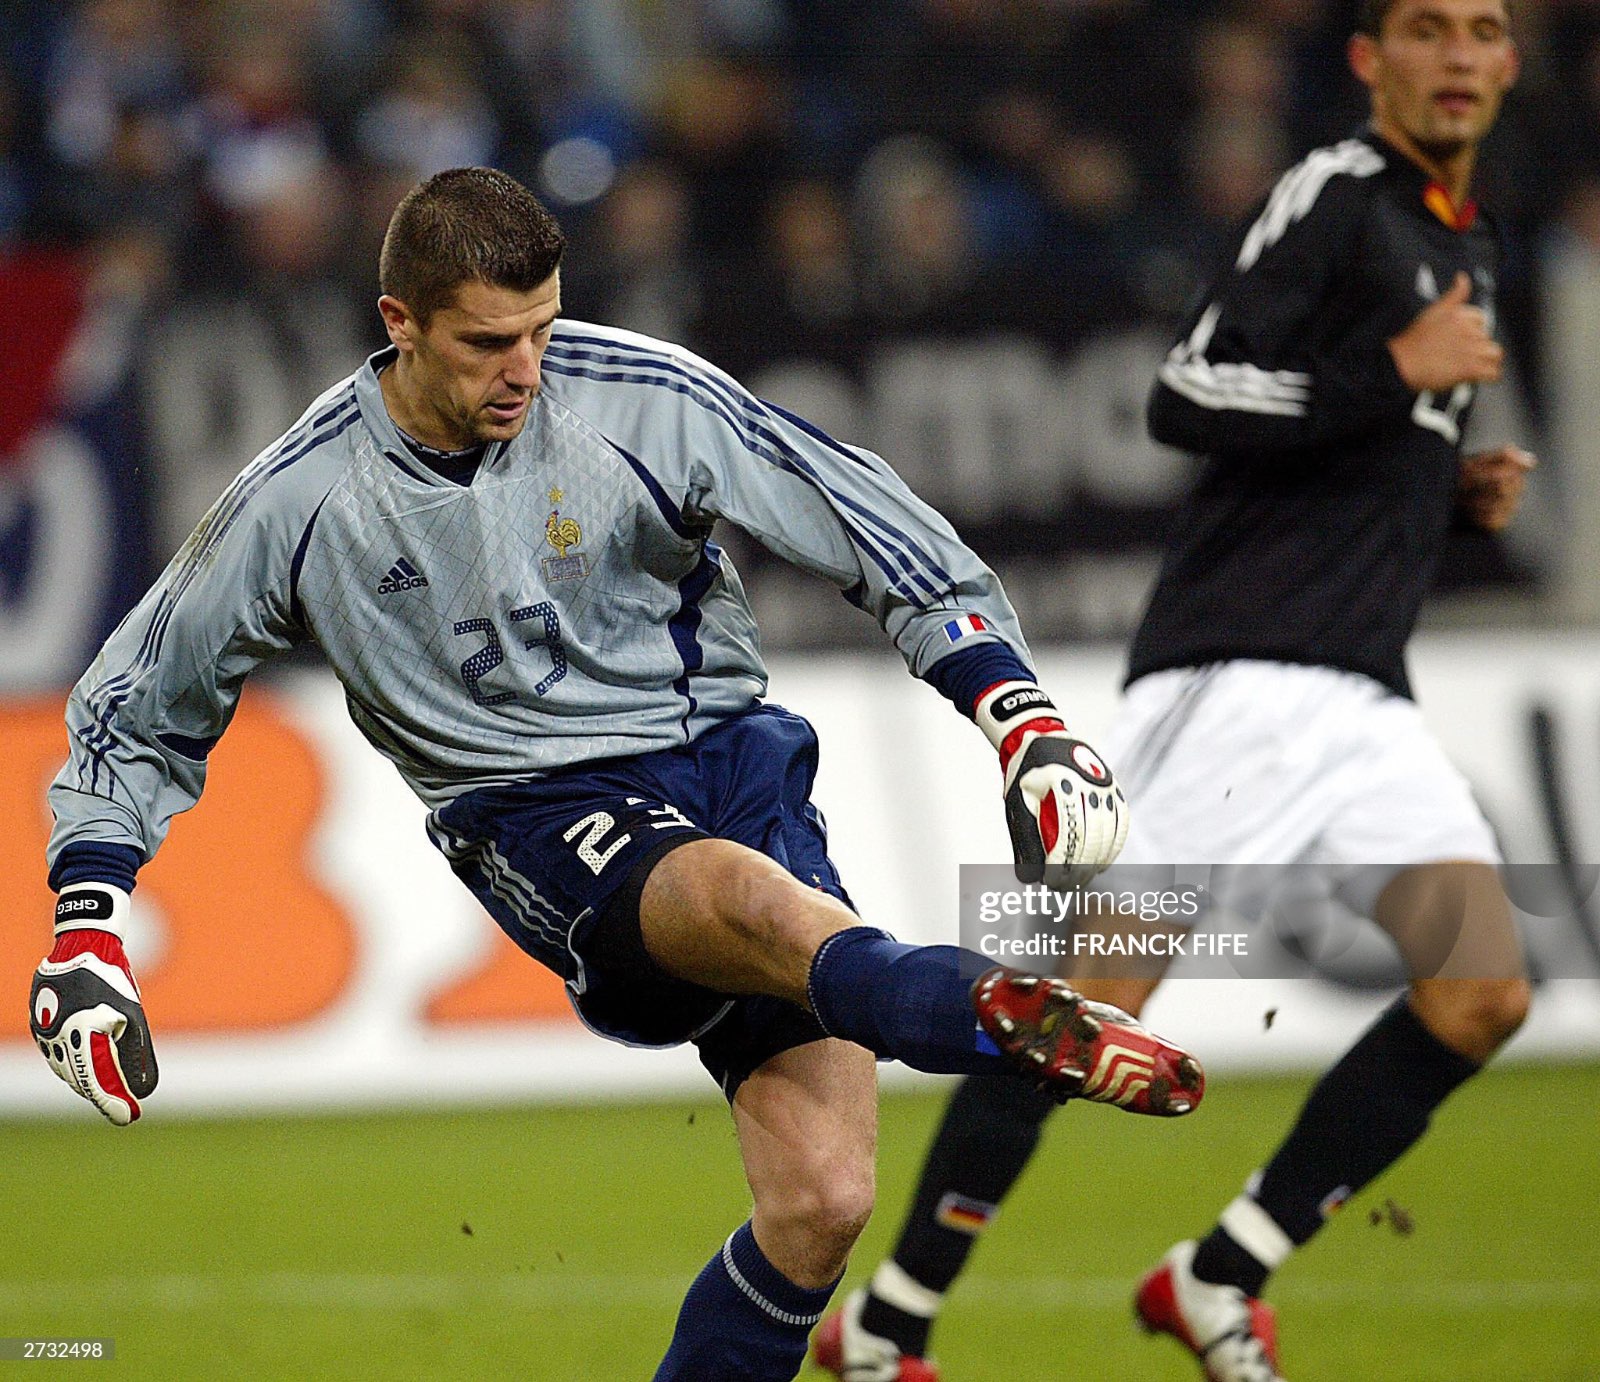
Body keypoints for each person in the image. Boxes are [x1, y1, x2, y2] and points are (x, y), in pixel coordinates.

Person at [25, 165, 1204, 1382]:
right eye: (487, 342)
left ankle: (981, 1016)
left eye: (540, 329)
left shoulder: (640, 394)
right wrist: (89, 925)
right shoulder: (299, 497)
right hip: (530, 809)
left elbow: (859, 516)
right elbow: (137, 704)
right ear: (400, 325)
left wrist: (1018, 715)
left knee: (823, 1201)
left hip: (731, 759)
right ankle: (1000, 1018)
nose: (524, 370)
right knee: (753, 904)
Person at [815, 2, 1532, 1379]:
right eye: (1427, 29)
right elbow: (1190, 390)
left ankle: (1217, 1272)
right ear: (1373, 60)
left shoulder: (1466, 241)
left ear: (1510, 61)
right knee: (1080, 1015)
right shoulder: (1339, 194)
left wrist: (1453, 494)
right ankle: (890, 1317)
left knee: (1481, 990)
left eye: (1486, 29)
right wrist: (1394, 371)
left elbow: (1342, 458)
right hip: (1237, 677)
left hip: (1367, 700)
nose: (1459, 55)